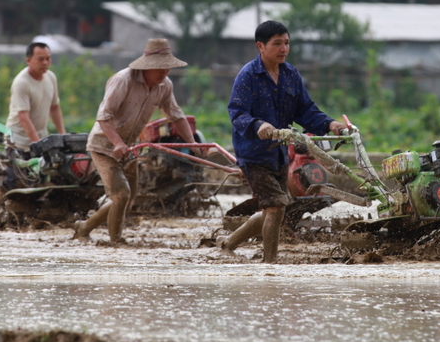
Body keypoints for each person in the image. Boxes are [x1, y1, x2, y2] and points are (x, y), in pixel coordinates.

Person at [219, 20, 343, 263]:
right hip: (253, 153)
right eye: (277, 44)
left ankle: (228, 243)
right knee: (275, 206)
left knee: (274, 206)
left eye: (287, 43)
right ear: (260, 46)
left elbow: (306, 110)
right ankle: (270, 264)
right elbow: (237, 112)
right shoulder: (247, 76)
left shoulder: (290, 74)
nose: (284, 48)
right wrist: (259, 125)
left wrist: (330, 124)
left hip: (279, 153)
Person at [74, 38, 194, 244]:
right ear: (147, 66)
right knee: (121, 195)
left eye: (168, 67)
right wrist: (117, 143)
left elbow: (176, 115)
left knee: (126, 201)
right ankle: (115, 242)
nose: (164, 72)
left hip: (131, 147)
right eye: (160, 67)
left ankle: (84, 227)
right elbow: (104, 116)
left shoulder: (164, 85)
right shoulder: (124, 80)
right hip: (104, 145)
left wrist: (193, 145)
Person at [0, 41, 65, 199]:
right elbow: (24, 118)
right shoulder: (22, 83)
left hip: (40, 136)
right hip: (18, 139)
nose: (45, 63)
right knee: (15, 179)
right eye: (40, 59)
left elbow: (54, 107)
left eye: (48, 58)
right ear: (28, 60)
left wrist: (63, 135)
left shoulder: (51, 77)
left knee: (46, 177)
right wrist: (40, 147)